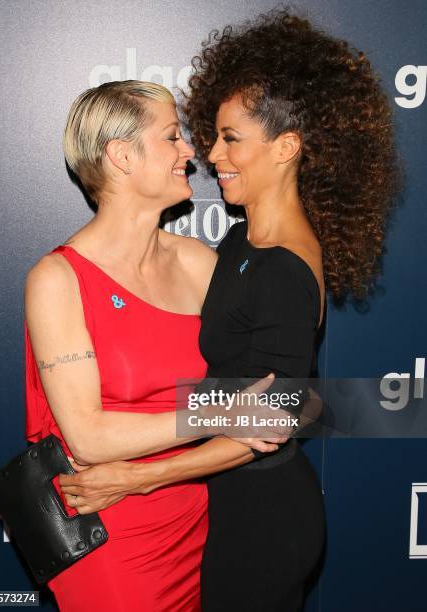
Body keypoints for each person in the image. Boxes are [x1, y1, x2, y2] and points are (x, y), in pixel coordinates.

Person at [59, 9, 401, 612]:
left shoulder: (288, 268)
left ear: (287, 147)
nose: (209, 153)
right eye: (210, 135)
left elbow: (266, 424)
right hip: (224, 507)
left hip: (265, 519)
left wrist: (131, 477)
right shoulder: (242, 243)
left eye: (230, 138)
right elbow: (243, 394)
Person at [25, 79, 286, 611]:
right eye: (172, 138)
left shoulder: (197, 264)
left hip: (198, 520)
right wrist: (223, 415)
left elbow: (278, 397)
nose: (191, 152)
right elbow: (89, 438)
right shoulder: (58, 279)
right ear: (121, 156)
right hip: (105, 532)